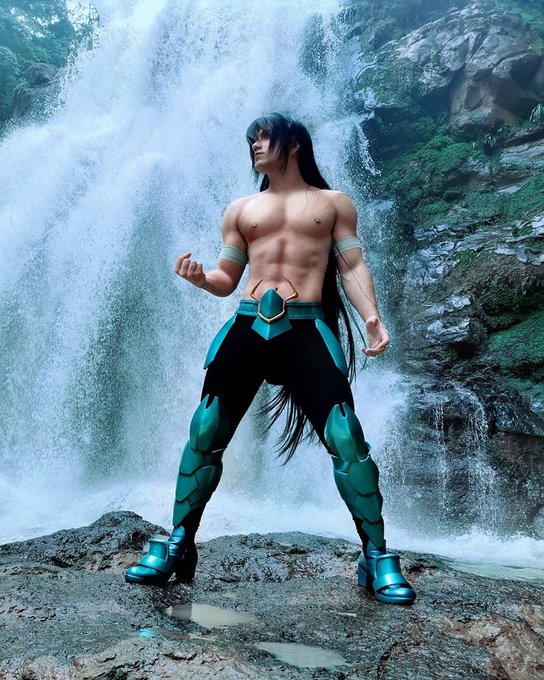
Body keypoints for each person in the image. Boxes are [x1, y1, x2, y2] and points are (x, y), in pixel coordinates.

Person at [125, 113, 416, 605]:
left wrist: (371, 316)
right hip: (247, 325)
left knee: (346, 436)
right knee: (205, 430)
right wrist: (200, 278)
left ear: (294, 143)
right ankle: (178, 543)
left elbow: (351, 266)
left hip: (306, 329)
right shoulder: (241, 209)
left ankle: (376, 556)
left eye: (264, 137)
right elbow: (226, 278)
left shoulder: (334, 203)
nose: (255, 145)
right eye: (252, 140)